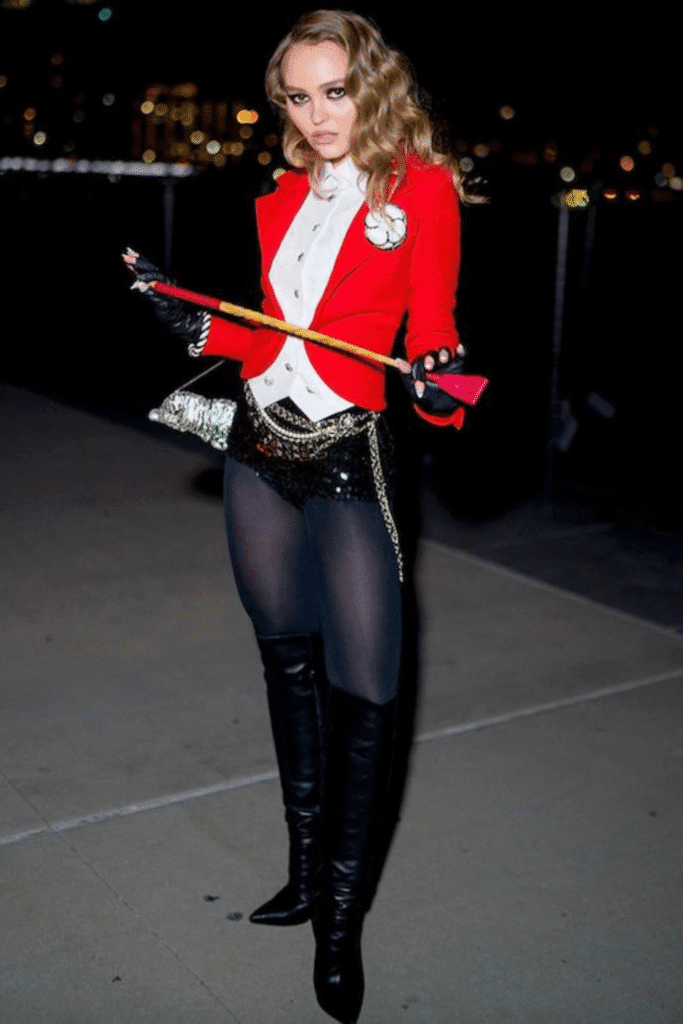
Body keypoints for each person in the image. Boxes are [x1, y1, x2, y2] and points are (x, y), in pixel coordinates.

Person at [124, 10, 473, 1022]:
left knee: (368, 682)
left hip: (347, 456)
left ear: (369, 82)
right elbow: (269, 336)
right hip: (255, 447)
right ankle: (303, 874)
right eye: (298, 95)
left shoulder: (422, 191)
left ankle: (338, 927)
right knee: (285, 664)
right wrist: (187, 314)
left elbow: (432, 328)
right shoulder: (280, 198)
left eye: (334, 89)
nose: (318, 113)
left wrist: (440, 376)